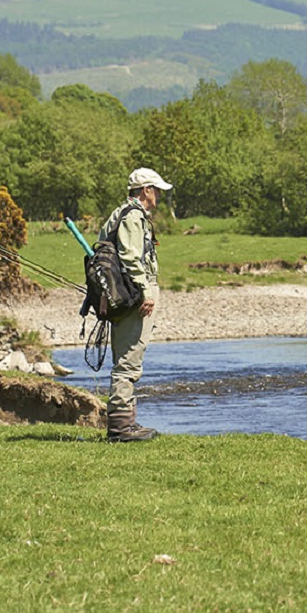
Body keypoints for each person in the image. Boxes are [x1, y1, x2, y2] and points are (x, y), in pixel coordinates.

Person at [100, 167, 171, 442]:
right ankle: (121, 428)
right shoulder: (133, 216)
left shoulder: (118, 213)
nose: (160, 197)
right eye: (158, 191)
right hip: (133, 296)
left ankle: (125, 423)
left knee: (124, 359)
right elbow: (130, 258)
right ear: (147, 191)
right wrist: (145, 292)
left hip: (120, 296)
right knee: (129, 361)